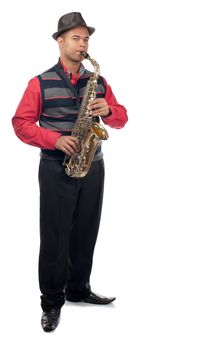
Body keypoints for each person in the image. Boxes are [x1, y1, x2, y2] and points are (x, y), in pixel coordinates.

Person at [12, 12, 128, 332]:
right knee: (54, 236)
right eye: (76, 38)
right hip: (55, 165)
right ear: (60, 41)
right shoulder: (39, 82)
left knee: (85, 231)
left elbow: (120, 119)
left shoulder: (98, 81)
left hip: (93, 164)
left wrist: (110, 110)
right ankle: (51, 302)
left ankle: (78, 288)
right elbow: (20, 124)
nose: (82, 44)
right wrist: (54, 138)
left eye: (86, 39)